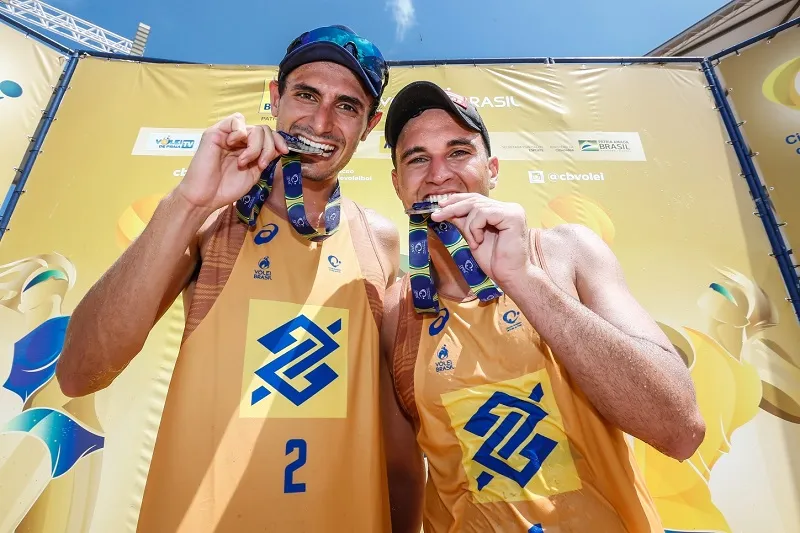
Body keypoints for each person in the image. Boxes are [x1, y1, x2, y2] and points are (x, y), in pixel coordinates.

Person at [55, 25, 400, 532]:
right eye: (306, 94)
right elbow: (80, 373)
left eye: (347, 106)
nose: (322, 121)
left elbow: (392, 435)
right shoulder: (211, 215)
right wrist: (190, 202)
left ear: (369, 124)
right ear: (275, 97)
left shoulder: (381, 239)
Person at [379, 81, 707, 533]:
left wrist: (524, 280)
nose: (439, 174)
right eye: (418, 158)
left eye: (458, 152)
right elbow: (400, 473)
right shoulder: (395, 309)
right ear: (398, 183)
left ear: (492, 169)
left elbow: (679, 429)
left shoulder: (567, 252)